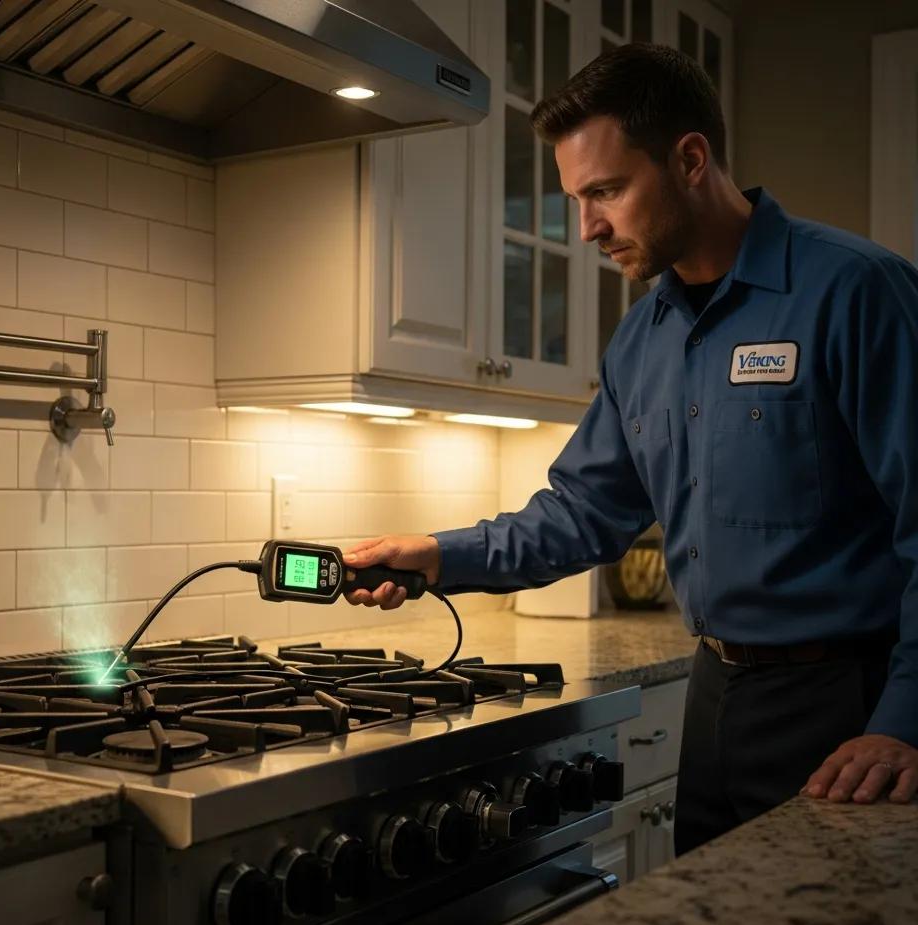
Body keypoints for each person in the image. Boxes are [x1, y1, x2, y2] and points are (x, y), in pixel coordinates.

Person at [341, 43, 918, 854]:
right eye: (576, 199)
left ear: (690, 160)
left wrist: (904, 723)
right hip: (714, 698)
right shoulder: (641, 340)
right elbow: (583, 513)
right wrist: (437, 555)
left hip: (849, 709)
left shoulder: (856, 292)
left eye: (606, 191)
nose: (587, 228)